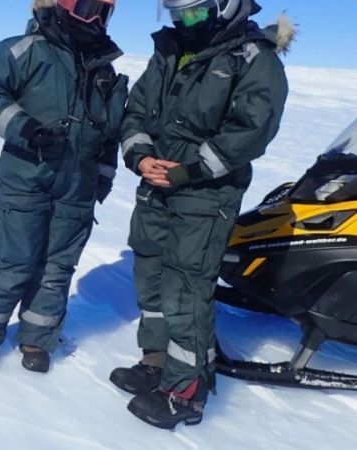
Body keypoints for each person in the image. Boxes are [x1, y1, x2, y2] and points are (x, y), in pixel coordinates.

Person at [109, 0, 291, 430]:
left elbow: (251, 129)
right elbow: (136, 111)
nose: (181, 22)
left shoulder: (254, 58)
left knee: (185, 287)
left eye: (191, 13)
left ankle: (185, 393)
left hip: (207, 195)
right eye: (174, 14)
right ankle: (156, 363)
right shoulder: (170, 50)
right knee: (150, 276)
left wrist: (190, 171)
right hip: (157, 186)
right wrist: (140, 156)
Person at [0, 0, 129, 373]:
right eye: (88, 8)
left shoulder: (103, 68)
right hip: (25, 180)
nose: (96, 19)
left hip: (77, 189)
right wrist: (26, 129)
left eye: (104, 12)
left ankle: (37, 339)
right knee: (13, 263)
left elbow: (109, 131)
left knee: (56, 270)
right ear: (63, 6)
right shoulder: (22, 51)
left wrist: (102, 178)